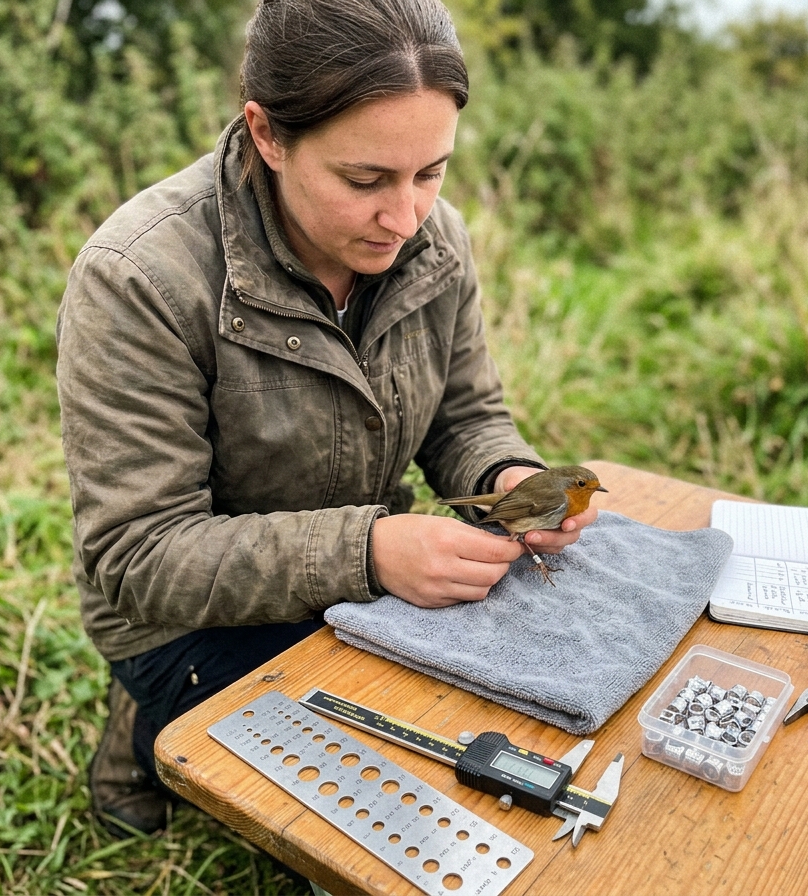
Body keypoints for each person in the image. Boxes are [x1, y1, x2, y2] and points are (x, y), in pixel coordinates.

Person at [56, 0, 599, 837]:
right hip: (183, 621)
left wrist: (510, 481)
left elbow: (466, 417)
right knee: (394, 815)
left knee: (517, 744)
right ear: (267, 135)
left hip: (360, 585)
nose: (407, 218)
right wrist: (370, 551)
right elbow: (136, 555)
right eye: (365, 180)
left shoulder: (433, 241)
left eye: (432, 172)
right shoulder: (139, 278)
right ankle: (146, 724)